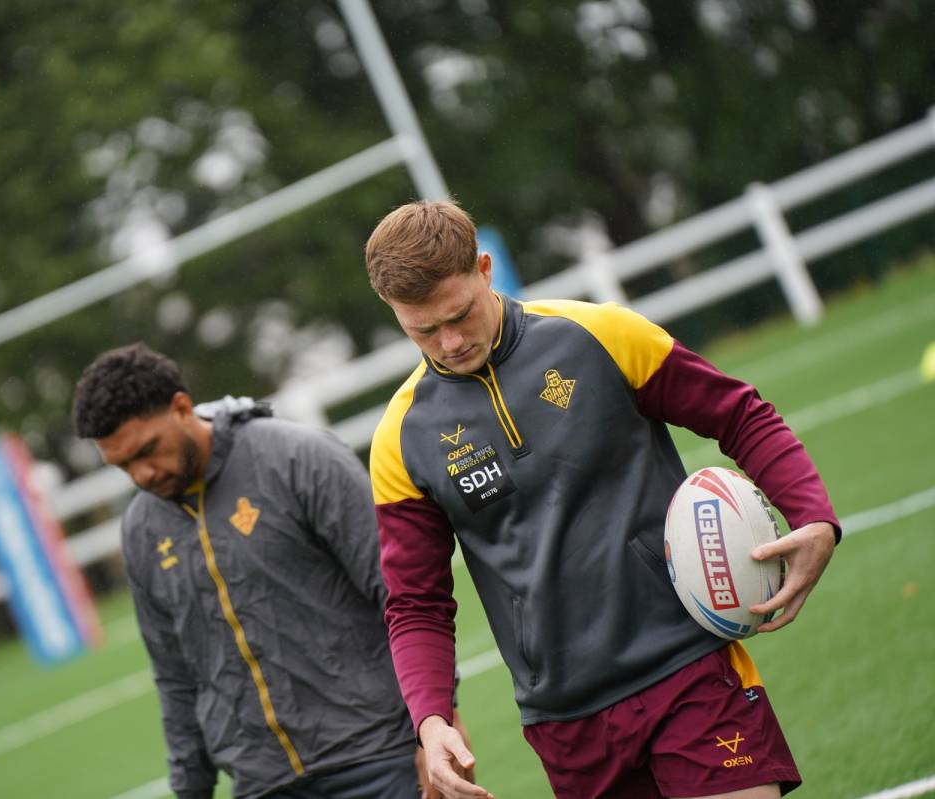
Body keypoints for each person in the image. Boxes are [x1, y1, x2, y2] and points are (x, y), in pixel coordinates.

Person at [364, 200, 839, 799]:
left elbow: (739, 415)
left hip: (687, 666)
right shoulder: (401, 440)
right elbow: (417, 603)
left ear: (484, 270)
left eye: (460, 315)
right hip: (566, 721)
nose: (450, 341)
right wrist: (431, 721)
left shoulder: (599, 336)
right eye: (424, 330)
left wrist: (813, 514)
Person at [72, 342, 466, 799]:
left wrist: (437, 725)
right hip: (262, 783)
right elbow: (175, 676)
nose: (141, 475)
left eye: (148, 450)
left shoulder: (299, 458)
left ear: (180, 408)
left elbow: (400, 597)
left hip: (378, 757)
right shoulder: (141, 531)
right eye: (123, 466)